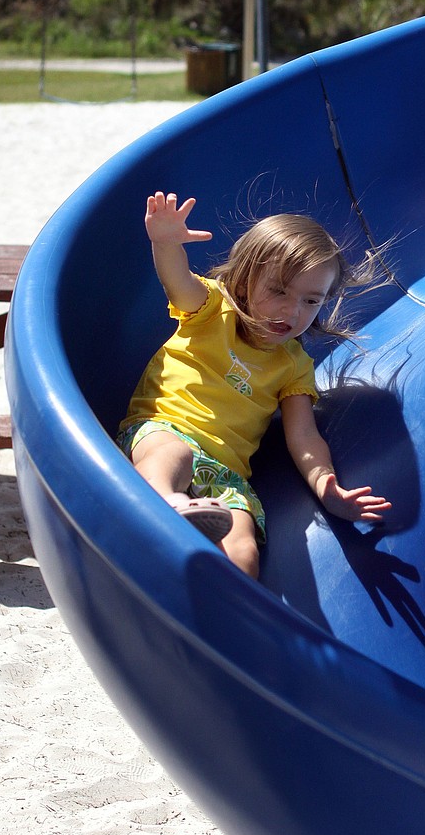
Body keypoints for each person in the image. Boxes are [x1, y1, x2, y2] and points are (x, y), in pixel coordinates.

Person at [117, 192, 392, 579]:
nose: (293, 311)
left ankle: (222, 608)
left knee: (244, 547)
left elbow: (304, 438)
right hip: (163, 429)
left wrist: (326, 486)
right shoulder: (211, 309)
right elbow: (175, 279)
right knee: (173, 456)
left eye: (311, 300)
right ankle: (164, 504)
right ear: (245, 281)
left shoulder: (293, 366)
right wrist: (165, 242)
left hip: (226, 473)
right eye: (279, 291)